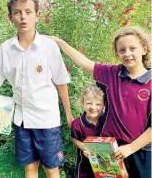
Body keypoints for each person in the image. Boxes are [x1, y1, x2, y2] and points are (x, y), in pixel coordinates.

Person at [0, 0, 74, 178]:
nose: (23, 17)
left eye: (28, 12)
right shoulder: (5, 50)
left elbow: (61, 83)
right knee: (30, 167)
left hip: (47, 120)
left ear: (37, 15)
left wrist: (69, 115)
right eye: (17, 12)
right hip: (21, 119)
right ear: (10, 17)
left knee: (51, 168)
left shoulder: (48, 47)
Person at [48, 26, 151, 178]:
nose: (127, 53)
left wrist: (130, 148)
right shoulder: (112, 73)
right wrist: (60, 42)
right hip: (110, 149)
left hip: (140, 152)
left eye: (132, 48)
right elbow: (85, 62)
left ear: (144, 48)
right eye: (122, 50)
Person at [71, 84, 105, 178]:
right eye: (89, 103)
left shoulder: (107, 122)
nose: (93, 107)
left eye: (98, 104)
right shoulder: (77, 123)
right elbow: (74, 138)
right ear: (83, 103)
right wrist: (83, 146)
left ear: (104, 105)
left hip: (104, 165)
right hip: (84, 166)